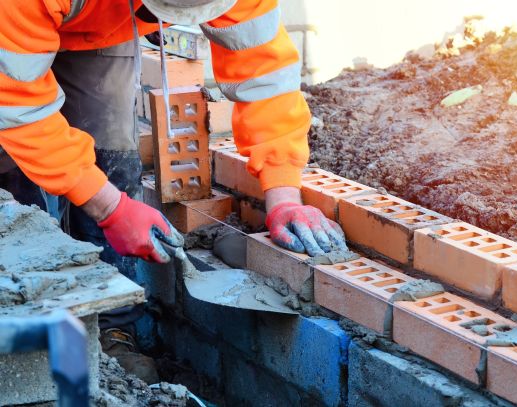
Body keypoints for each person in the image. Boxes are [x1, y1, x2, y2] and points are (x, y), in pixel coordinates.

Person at [0, 0, 348, 280]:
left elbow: (266, 79)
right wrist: (109, 208)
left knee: (113, 153)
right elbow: (16, 108)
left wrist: (283, 192)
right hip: (15, 24)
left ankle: (114, 329)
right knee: (16, 177)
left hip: (99, 22)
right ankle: (35, 305)